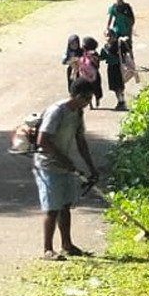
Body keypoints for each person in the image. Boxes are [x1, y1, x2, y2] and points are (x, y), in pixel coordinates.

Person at [33, 80, 98, 260]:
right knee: (52, 208)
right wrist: (62, 159)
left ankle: (67, 245)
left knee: (65, 205)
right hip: (48, 165)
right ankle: (47, 249)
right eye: (87, 98)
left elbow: (81, 142)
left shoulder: (77, 113)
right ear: (77, 96)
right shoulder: (57, 111)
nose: (88, 103)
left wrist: (92, 168)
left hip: (65, 165)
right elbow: (42, 140)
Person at [105, 0, 136, 104]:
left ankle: (132, 63)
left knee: (128, 47)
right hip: (117, 31)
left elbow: (132, 19)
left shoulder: (127, 7)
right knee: (117, 47)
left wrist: (130, 29)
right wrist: (107, 29)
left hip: (126, 31)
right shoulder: (113, 8)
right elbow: (109, 19)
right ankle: (120, 60)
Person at [75, 35, 103, 108]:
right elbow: (97, 64)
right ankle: (95, 100)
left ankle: (91, 103)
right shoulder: (94, 54)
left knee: (87, 89)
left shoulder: (85, 53)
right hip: (94, 74)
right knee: (96, 88)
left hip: (85, 74)